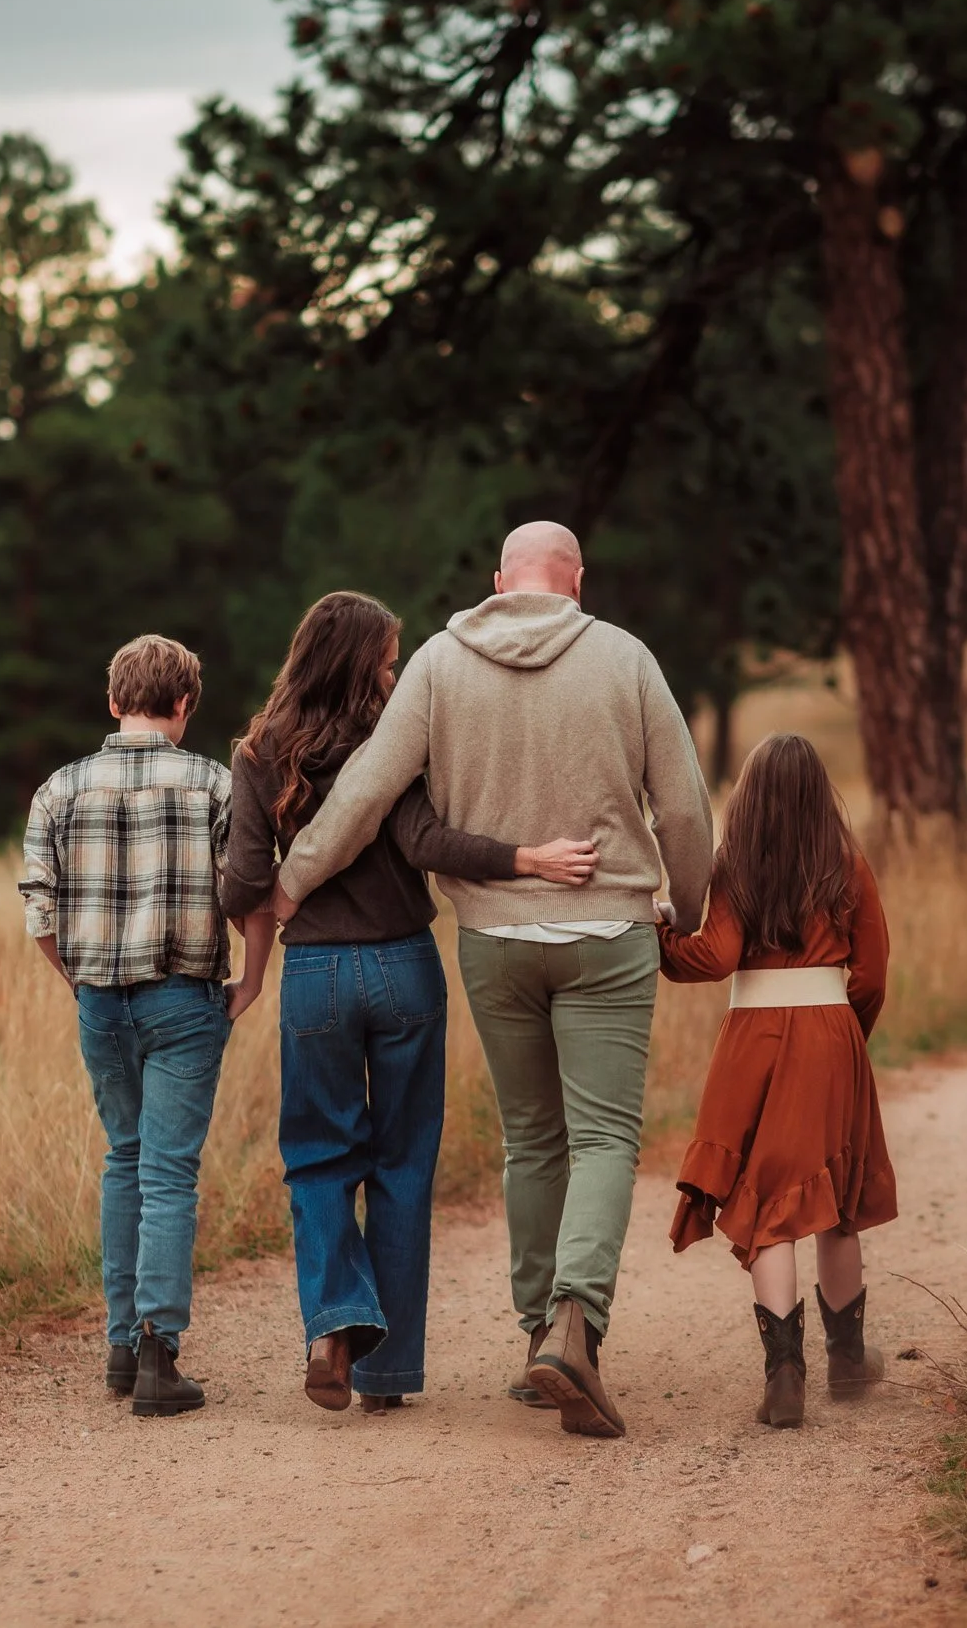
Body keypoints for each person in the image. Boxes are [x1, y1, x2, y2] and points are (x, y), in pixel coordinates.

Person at [270, 522, 714, 1440]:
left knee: (532, 1141)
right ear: (577, 581)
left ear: (501, 581)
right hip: (611, 932)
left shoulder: (437, 662)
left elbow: (364, 791)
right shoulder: (626, 657)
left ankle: (532, 1341)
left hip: (494, 940)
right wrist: (692, 904)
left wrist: (290, 882)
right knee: (602, 1139)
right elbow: (681, 802)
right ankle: (573, 1323)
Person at [220, 591, 601, 1414]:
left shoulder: (258, 754)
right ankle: (387, 1375)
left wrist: (250, 878)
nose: (396, 673)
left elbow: (245, 884)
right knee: (401, 1165)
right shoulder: (392, 743)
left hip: (316, 974)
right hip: (403, 968)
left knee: (320, 1158)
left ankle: (332, 1328)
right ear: (358, 665)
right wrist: (526, 858)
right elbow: (430, 844)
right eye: (387, 661)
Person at [19, 633, 270, 1419]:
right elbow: (251, 892)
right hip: (183, 996)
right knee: (167, 1171)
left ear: (112, 700)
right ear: (185, 703)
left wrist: (78, 979)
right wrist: (254, 977)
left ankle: (122, 1347)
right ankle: (161, 1355)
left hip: (101, 999)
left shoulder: (59, 788)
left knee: (124, 1159)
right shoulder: (212, 784)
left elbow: (39, 909)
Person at [654, 732, 895, 1428]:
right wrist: (846, 1039)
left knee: (767, 1198)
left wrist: (663, 942)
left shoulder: (738, 870)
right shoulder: (849, 866)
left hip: (754, 1044)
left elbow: (716, 955)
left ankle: (784, 1375)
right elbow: (873, 974)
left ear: (750, 802)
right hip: (829, 1036)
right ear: (822, 796)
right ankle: (847, 1361)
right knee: (835, 1196)